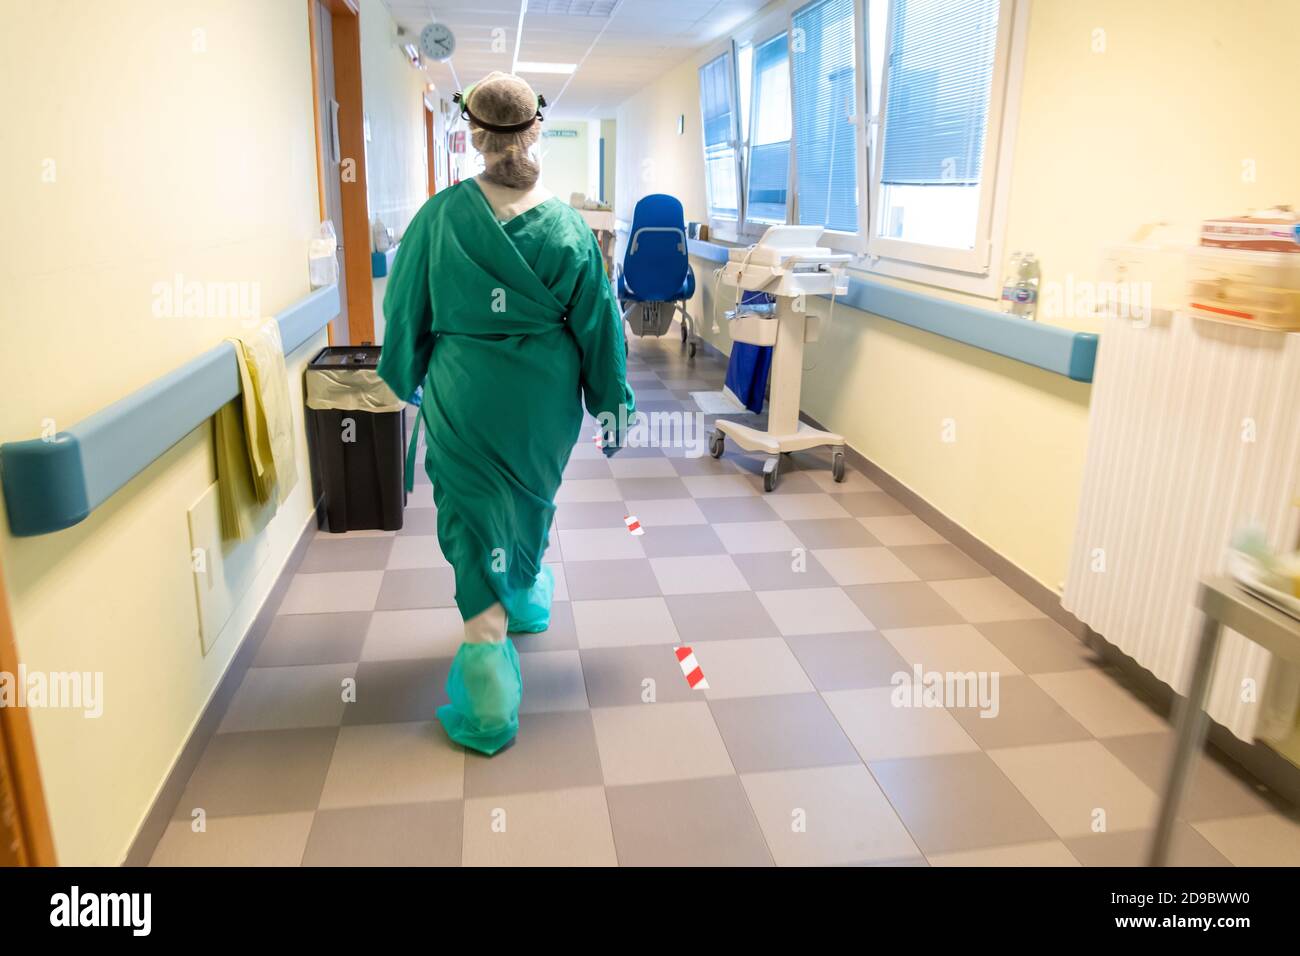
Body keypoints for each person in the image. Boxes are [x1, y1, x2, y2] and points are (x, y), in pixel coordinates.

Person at [378, 72, 634, 755]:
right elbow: (601, 328)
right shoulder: (571, 229)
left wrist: (404, 372)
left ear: (474, 136)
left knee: (470, 519)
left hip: (468, 392)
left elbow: (405, 309)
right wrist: (609, 406)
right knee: (528, 502)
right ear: (534, 133)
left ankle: (489, 686)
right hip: (542, 405)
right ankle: (521, 593)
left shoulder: (439, 217)